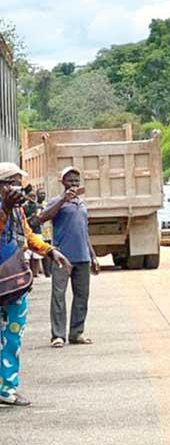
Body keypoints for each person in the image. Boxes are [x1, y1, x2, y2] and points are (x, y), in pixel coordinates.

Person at [0, 163, 70, 406]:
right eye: (13, 182)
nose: (19, 188)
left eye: (19, 183)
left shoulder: (18, 210)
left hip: (13, 283)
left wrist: (50, 251)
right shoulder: (8, 207)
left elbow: (28, 235)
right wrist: (5, 208)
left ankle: (7, 387)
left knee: (13, 335)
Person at [37, 167, 100, 348]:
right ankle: (58, 335)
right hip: (62, 258)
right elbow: (42, 218)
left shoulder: (81, 204)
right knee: (58, 295)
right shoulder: (57, 202)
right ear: (62, 182)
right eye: (70, 180)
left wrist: (93, 256)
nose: (73, 184)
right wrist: (63, 200)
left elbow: (84, 232)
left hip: (82, 257)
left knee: (82, 296)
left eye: (76, 181)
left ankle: (76, 333)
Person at [21, 187, 43, 277]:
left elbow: (41, 218)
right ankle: (28, 272)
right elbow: (23, 220)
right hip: (27, 231)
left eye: (34, 196)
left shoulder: (38, 206)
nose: (32, 198)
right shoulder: (24, 207)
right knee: (27, 255)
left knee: (37, 254)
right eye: (31, 196)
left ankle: (35, 273)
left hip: (37, 231)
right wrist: (31, 217)